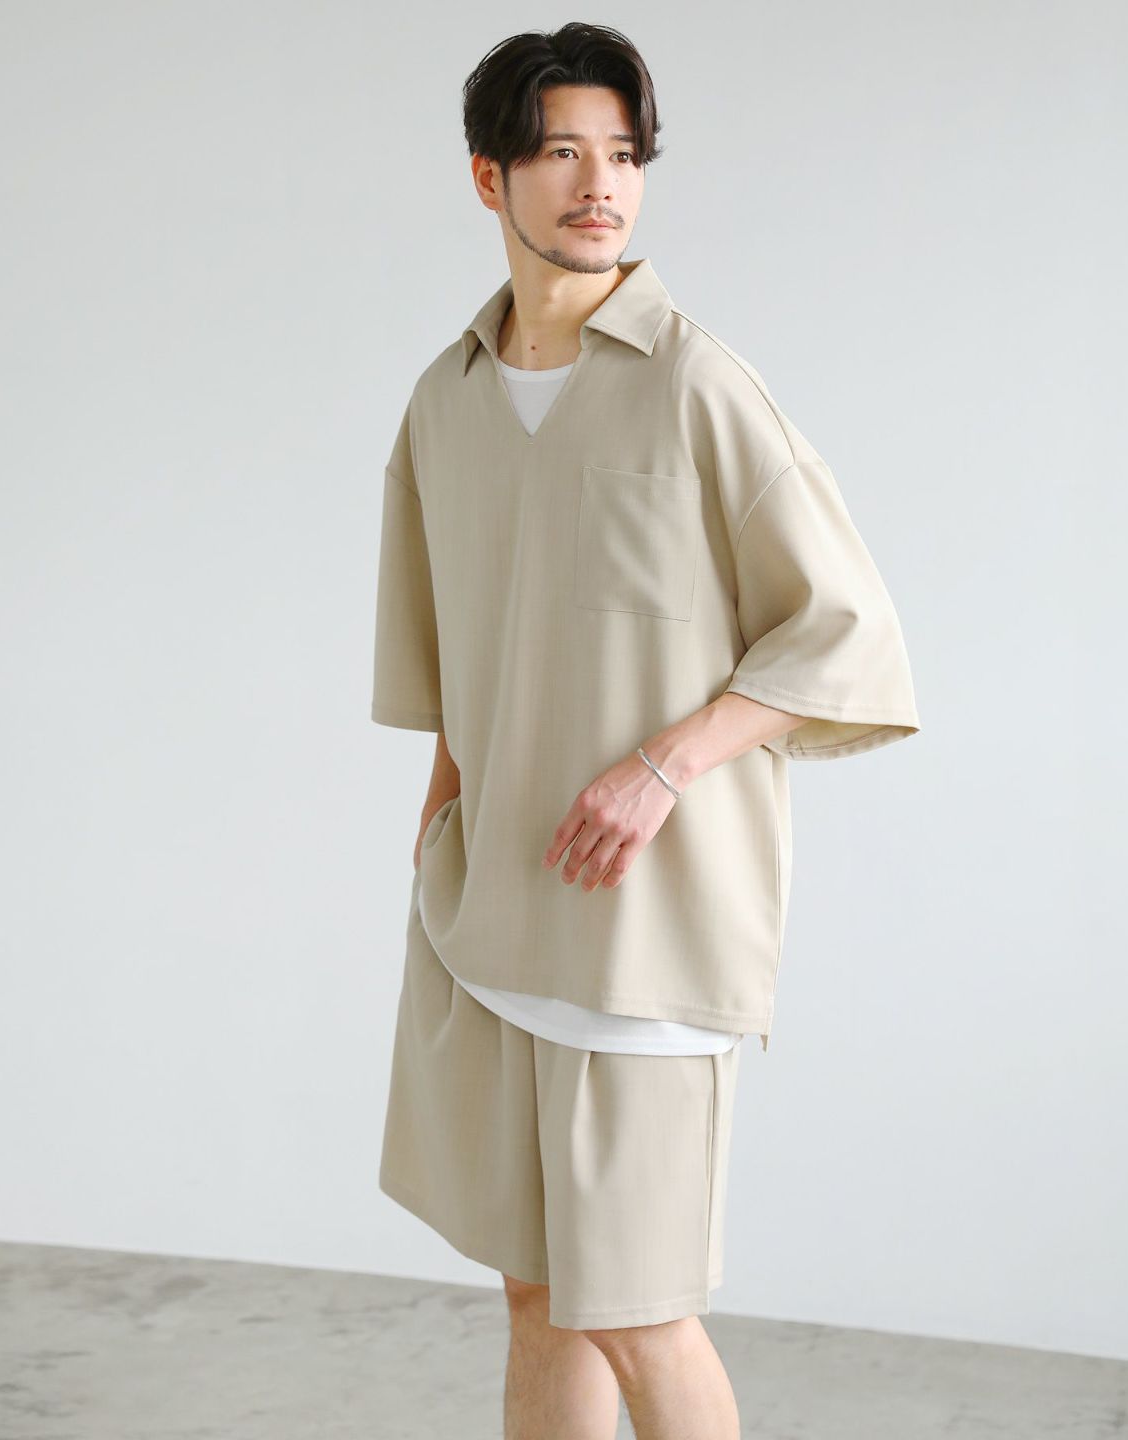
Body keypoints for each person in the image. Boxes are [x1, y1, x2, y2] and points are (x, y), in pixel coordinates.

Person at [370, 22, 921, 1439]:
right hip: (490, 924)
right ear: (489, 177)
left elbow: (846, 630)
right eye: (562, 152)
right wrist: (436, 853)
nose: (599, 185)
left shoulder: (695, 382)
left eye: (622, 155)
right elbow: (450, 670)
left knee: (638, 1307)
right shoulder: (445, 403)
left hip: (647, 935)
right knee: (535, 1296)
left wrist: (665, 765)